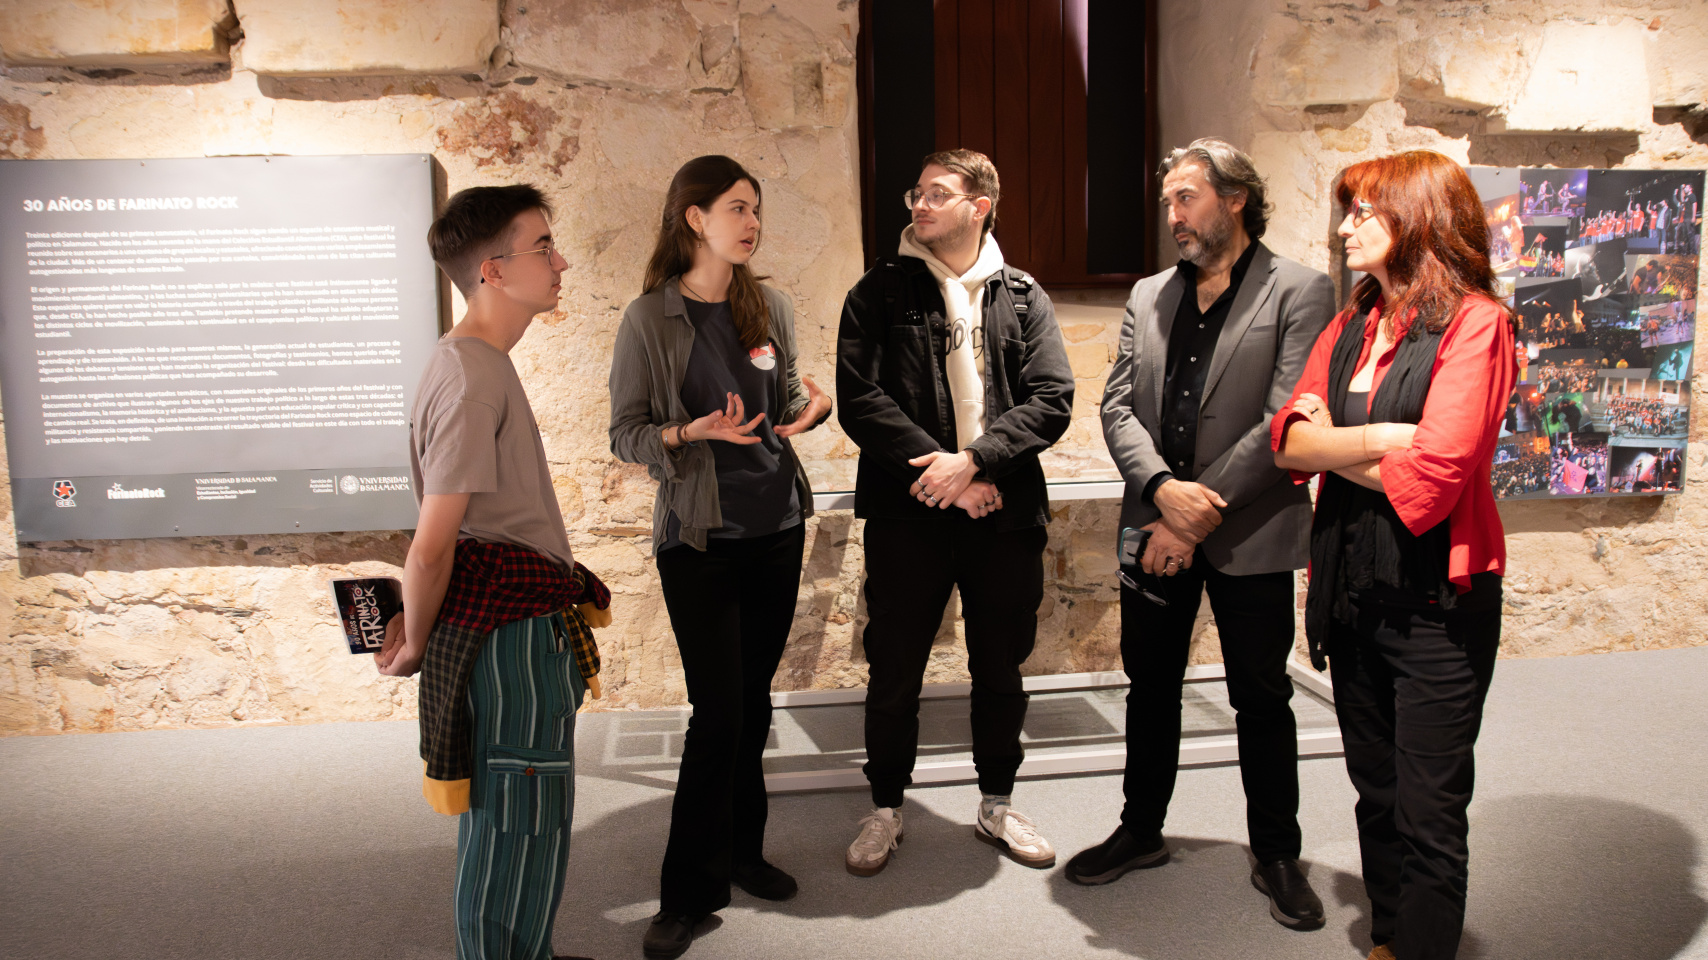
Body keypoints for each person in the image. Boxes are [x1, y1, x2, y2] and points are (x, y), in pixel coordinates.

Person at [1065, 138, 1335, 928]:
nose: (1173, 216)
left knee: (1261, 694)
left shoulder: (1300, 290)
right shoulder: (1149, 294)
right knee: (1149, 689)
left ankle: (1276, 852)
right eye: (1169, 203)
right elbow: (1117, 406)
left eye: (1186, 198)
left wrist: (1195, 511)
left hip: (1248, 529)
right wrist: (1159, 492)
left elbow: (1283, 420)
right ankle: (1140, 830)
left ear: (1235, 198)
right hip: (1153, 522)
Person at [1272, 150, 1518, 960]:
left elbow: (1438, 475)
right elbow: (1285, 442)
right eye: (1347, 210)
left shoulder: (1478, 325)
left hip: (1436, 605)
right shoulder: (1353, 322)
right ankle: (1389, 940)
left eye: (1362, 211)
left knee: (1428, 809)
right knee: (1376, 794)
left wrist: (1326, 444)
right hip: (1351, 590)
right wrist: (1378, 439)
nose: (1344, 226)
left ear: (1417, 219)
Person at [608, 155, 832, 960]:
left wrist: (815, 405)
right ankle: (687, 893)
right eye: (738, 209)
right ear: (694, 218)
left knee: (756, 702)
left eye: (756, 211)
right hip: (700, 540)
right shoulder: (649, 319)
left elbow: (796, 392)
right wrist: (688, 433)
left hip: (777, 528)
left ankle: (743, 852)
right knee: (720, 714)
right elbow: (625, 432)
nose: (752, 223)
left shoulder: (767, 304)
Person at [378, 184, 608, 960]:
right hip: (510, 643)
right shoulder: (472, 376)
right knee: (516, 823)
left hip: (519, 630)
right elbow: (435, 542)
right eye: (542, 246)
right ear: (492, 271)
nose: (561, 260)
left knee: (523, 821)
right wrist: (413, 643)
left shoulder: (476, 364)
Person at [835, 148, 1074, 876]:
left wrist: (975, 462)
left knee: (1000, 664)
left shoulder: (1024, 296)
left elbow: (1052, 397)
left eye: (938, 194)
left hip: (1002, 511)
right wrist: (946, 474)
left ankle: (997, 801)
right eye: (916, 192)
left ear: (980, 205)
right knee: (895, 666)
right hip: (910, 513)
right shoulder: (877, 292)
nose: (919, 204)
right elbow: (861, 399)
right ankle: (885, 808)